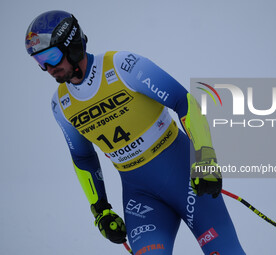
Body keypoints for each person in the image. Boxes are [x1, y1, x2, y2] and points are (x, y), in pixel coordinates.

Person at [25, 10, 246, 255]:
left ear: (72, 45)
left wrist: (205, 158)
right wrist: (101, 210)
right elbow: (83, 158)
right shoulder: (61, 104)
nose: (48, 68)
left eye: (51, 57)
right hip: (140, 196)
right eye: (39, 62)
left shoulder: (123, 66)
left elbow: (184, 102)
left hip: (185, 178)